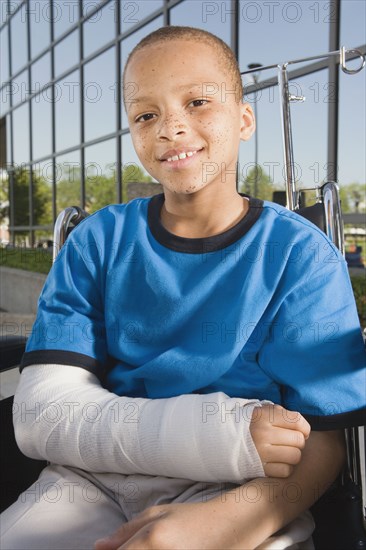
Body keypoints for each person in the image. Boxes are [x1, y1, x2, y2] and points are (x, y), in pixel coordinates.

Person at [1, 26, 365, 550]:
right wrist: (216, 433)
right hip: (91, 478)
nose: (171, 126)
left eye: (197, 101)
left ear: (244, 120)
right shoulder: (96, 242)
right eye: (146, 115)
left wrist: (225, 524)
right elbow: (44, 415)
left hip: (245, 487)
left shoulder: (298, 255)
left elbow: (322, 442)